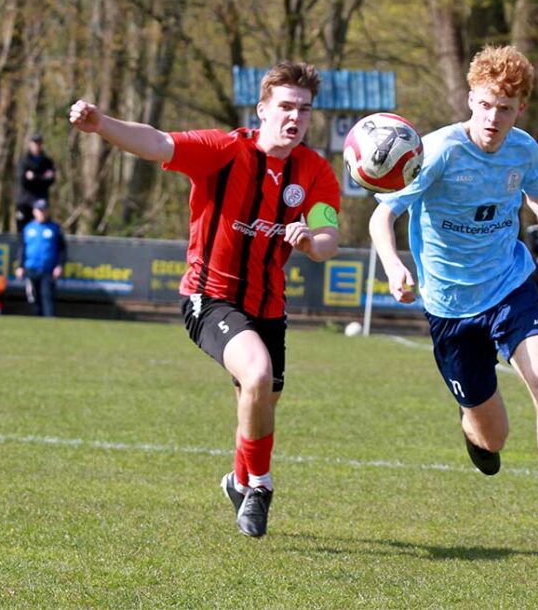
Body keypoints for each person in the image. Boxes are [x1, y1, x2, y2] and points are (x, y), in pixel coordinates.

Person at [68, 61, 341, 538]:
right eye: (285, 107)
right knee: (255, 375)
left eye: (304, 109)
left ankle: (238, 479)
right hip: (209, 296)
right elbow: (158, 143)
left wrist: (308, 241)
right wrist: (102, 125)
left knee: (259, 400)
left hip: (269, 305)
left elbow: (327, 240)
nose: (294, 117)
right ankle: (259, 486)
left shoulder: (314, 171)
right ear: (263, 110)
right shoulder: (225, 150)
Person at [368, 45, 538, 558]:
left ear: (520, 108)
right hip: (450, 306)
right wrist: (394, 265)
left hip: (509, 286)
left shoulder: (525, 151)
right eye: (486, 104)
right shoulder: (436, 153)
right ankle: (471, 423)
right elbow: (382, 216)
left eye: (506, 107)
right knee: (493, 439)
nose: (493, 117)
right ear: (470, 99)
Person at [15, 199, 67, 317]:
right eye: (39, 210)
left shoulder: (55, 228)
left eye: (44, 210)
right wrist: (20, 266)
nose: (41, 213)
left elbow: (62, 250)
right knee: (33, 299)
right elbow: (22, 249)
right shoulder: (28, 228)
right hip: (31, 269)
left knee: (47, 298)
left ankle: (49, 326)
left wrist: (60, 265)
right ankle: (35, 326)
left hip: (48, 271)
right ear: (34, 212)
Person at [15, 134, 57, 233]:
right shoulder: (23, 161)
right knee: (22, 230)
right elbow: (23, 181)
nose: (37, 146)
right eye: (35, 143)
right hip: (25, 201)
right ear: (30, 144)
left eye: (39, 143)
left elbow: (50, 180)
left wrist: (34, 177)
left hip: (40, 200)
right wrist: (42, 177)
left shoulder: (47, 162)